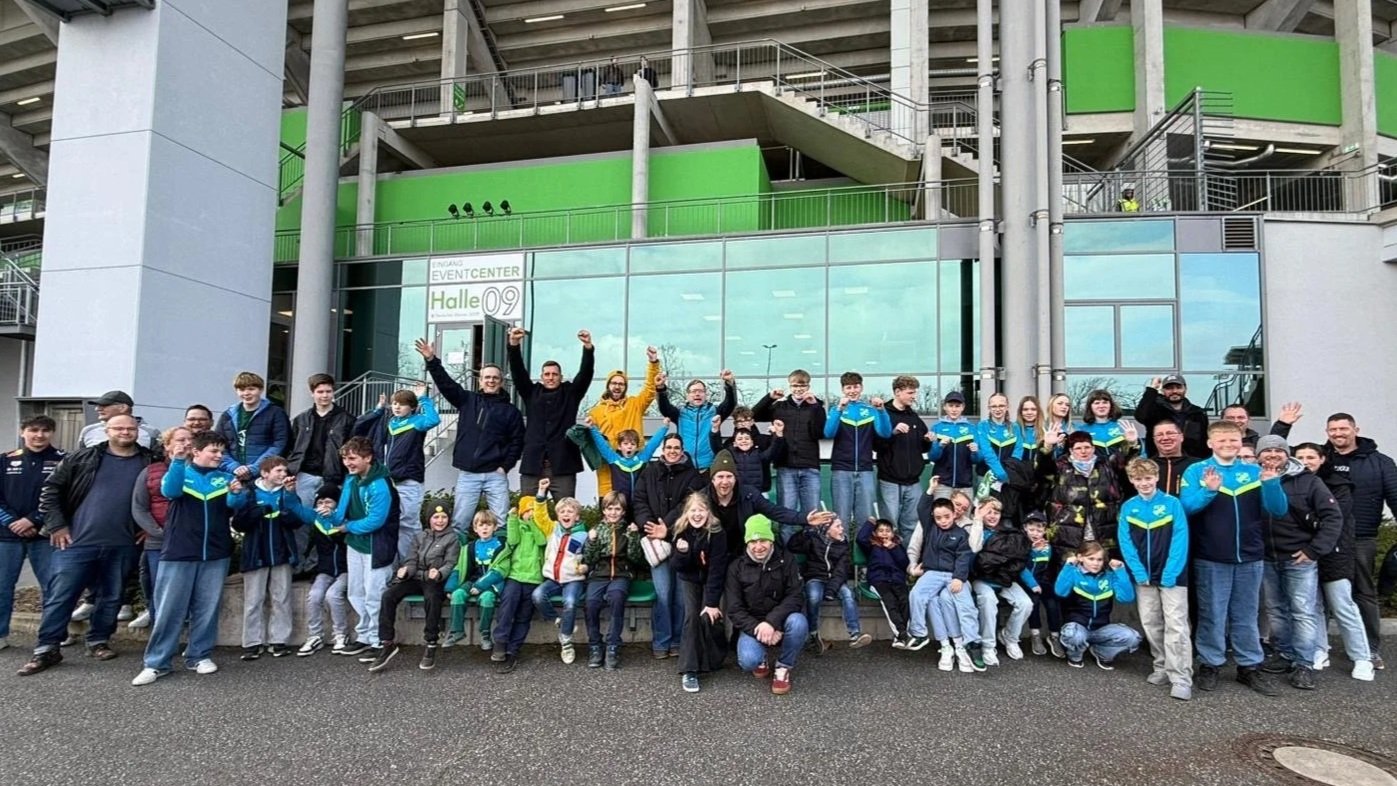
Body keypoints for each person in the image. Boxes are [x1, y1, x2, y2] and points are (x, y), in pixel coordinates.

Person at [19, 415, 153, 676]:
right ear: (107, 430)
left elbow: (159, 498)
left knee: (112, 596)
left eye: (131, 428)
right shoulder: (82, 458)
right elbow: (50, 491)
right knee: (61, 596)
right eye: (119, 428)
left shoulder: (149, 460)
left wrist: (150, 528)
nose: (125, 432)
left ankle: (98, 641)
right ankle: (46, 649)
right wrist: (57, 525)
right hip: (76, 541)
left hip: (123, 542)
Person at [131, 431, 251, 686]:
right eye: (214, 451)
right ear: (197, 452)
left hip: (216, 553)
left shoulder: (225, 477)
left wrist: (238, 493)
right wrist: (176, 460)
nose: (219, 456)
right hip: (179, 551)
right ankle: (156, 663)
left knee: (207, 608)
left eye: (221, 452)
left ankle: (199, 655)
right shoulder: (180, 473)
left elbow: (234, 505)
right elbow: (170, 491)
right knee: (169, 610)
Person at [1180, 420, 1288, 696]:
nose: (1228, 445)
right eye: (1222, 440)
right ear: (1210, 443)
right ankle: (1210, 663)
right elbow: (1186, 508)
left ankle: (1249, 666)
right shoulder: (1196, 471)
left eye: (1233, 440)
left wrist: (1272, 484)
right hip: (1211, 556)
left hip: (1250, 556)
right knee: (1212, 614)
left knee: (1246, 615)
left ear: (1242, 441)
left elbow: (1278, 510)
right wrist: (1209, 491)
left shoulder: (1254, 471)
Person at [1256, 436, 1343, 691]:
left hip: (1299, 557)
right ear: (1259, 455)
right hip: (1266, 557)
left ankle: (1303, 663)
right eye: (1267, 450)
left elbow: (1332, 517)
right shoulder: (1251, 479)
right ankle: (1284, 654)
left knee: (1302, 611)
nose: (1272, 455)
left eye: (1278, 450)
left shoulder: (1309, 481)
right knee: (1275, 610)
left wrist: (1314, 550)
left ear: (1287, 454)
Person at [418, 339, 525, 530]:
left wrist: (505, 466)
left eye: (495, 378)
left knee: (501, 524)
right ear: (480, 380)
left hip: (496, 475)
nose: (491, 381)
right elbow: (446, 384)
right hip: (468, 475)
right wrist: (432, 360)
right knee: (460, 524)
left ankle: (500, 559)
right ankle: (457, 559)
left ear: (501, 382)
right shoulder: (467, 400)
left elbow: (517, 442)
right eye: (487, 377)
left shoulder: (511, 412)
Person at [1293, 442, 1374, 681]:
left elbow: (1332, 518)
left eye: (1311, 456)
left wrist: (1307, 519)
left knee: (1343, 606)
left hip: (1334, 553)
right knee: (1312, 606)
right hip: (1303, 553)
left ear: (1322, 459)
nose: (1306, 461)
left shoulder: (1339, 485)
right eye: (1300, 457)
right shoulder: (1292, 482)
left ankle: (1362, 658)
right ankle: (1319, 650)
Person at [1323, 412, 1397, 670]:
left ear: (1356, 429)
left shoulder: (1380, 462)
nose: (1338, 433)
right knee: (1319, 595)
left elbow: (1395, 497)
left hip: (1362, 537)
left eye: (1343, 428)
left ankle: (1370, 649)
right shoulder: (1322, 460)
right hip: (1325, 538)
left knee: (1364, 593)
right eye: (1333, 429)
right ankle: (1318, 649)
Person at [319, 436, 400, 662]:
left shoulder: (380, 484)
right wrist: (332, 515)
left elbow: (376, 520)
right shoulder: (351, 480)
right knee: (356, 592)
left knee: (375, 594)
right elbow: (342, 511)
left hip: (377, 546)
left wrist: (347, 526)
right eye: (345, 458)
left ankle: (379, 640)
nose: (348, 463)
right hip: (355, 544)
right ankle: (364, 636)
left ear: (368, 458)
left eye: (352, 458)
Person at [1117, 458, 1192, 700]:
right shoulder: (1129, 507)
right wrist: (1138, 571)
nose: (1144, 483)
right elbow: (1125, 542)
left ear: (1156, 478)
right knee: (1151, 622)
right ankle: (1161, 666)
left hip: (1172, 575)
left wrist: (1171, 571)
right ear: (1131, 480)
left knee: (1177, 625)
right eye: (1138, 479)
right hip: (1144, 577)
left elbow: (1181, 539)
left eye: (1148, 478)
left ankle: (1181, 677)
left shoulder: (1172, 504)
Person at [233, 456, 315, 661]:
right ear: (264, 473)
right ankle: (252, 642)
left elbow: (297, 521)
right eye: (278, 471)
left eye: (284, 471)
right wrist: (257, 513)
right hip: (255, 552)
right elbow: (238, 523)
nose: (283, 474)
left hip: (282, 551)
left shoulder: (287, 492)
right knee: (254, 599)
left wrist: (286, 510)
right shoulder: (250, 492)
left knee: (282, 597)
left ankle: (279, 640)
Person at [632, 432, 705, 659]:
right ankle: (661, 642)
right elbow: (639, 501)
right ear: (662, 450)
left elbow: (689, 505)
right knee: (663, 593)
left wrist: (669, 527)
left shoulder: (693, 475)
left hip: (683, 540)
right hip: (656, 540)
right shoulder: (650, 471)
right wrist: (650, 525)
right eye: (669, 447)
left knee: (681, 597)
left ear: (682, 451)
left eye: (676, 448)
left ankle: (678, 642)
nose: (672, 451)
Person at [353, 382, 441, 562]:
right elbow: (362, 428)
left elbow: (433, 419)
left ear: (412, 407)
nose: (397, 406)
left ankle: (412, 563)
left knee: (409, 524)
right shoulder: (390, 421)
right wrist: (378, 409)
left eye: (402, 404)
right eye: (394, 403)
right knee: (391, 523)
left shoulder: (417, 422)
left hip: (409, 481)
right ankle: (397, 565)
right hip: (389, 481)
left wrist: (423, 397)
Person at [369, 504, 460, 673]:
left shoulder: (452, 538)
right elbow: (411, 560)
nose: (440, 521)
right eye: (436, 517)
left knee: (432, 598)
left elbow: (451, 563)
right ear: (429, 519)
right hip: (416, 578)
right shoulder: (420, 536)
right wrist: (406, 571)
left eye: (444, 517)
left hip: (434, 581)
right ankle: (387, 643)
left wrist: (439, 573)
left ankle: (431, 642)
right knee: (388, 595)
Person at [0, 416, 64, 649]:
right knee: (2, 586)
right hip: (6, 536)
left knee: (53, 587)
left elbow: (65, 497)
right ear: (23, 431)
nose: (39, 435)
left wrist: (32, 520)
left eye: (45, 431)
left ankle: (52, 637)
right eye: (33, 430)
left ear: (52, 433)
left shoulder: (63, 461)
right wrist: (13, 522)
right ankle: (0, 635)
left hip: (46, 534)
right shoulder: (5, 461)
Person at [725, 514, 808, 696]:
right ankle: (761, 657)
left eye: (763, 540)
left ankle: (783, 666)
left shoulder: (786, 560)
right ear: (747, 543)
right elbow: (734, 609)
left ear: (771, 540)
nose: (758, 547)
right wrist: (759, 628)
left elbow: (795, 596)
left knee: (799, 622)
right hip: (752, 624)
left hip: (780, 620)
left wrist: (772, 623)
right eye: (753, 542)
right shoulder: (736, 567)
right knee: (749, 661)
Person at [507, 326, 595, 498]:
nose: (551, 377)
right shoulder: (531, 393)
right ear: (541, 377)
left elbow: (585, 374)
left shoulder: (571, 394)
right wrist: (514, 345)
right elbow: (518, 372)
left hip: (563, 466)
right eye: (547, 374)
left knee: (567, 512)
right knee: (528, 515)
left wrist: (588, 349)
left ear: (561, 377)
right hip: (533, 466)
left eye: (555, 374)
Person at [285, 373, 354, 574]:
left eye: (328, 391)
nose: (324, 395)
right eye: (320, 392)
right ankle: (296, 565)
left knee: (329, 522)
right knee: (301, 521)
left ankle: (316, 565)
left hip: (333, 478)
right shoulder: (300, 419)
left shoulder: (346, 419)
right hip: (305, 475)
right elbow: (292, 447)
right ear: (312, 393)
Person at [905, 494, 981, 672]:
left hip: (953, 575)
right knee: (916, 594)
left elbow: (963, 557)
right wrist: (929, 491)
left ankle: (972, 643)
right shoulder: (931, 528)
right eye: (938, 517)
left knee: (965, 605)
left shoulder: (961, 534)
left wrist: (959, 577)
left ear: (954, 514)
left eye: (947, 516)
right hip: (932, 573)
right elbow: (922, 509)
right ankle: (919, 633)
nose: (943, 521)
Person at [1041, 428, 1138, 555]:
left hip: (1104, 531)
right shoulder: (1060, 466)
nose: (1083, 451)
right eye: (1078, 448)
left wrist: (1131, 443)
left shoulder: (1107, 465)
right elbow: (1042, 469)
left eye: (1087, 447)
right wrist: (1047, 447)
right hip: (1068, 534)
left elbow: (1125, 459)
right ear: (1071, 450)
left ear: (1093, 448)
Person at [580, 493, 644, 671]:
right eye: (610, 509)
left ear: (623, 512)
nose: (613, 513)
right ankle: (594, 645)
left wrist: (633, 537)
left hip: (621, 574)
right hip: (599, 573)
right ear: (604, 510)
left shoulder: (627, 529)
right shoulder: (597, 529)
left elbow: (636, 558)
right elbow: (589, 559)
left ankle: (613, 645)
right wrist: (591, 542)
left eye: (617, 509)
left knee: (616, 598)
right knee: (591, 603)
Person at [672, 492, 730, 692]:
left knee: (709, 616)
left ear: (708, 512)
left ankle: (714, 658)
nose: (697, 515)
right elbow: (678, 566)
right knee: (691, 618)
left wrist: (712, 603)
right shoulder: (681, 531)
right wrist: (682, 553)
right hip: (689, 579)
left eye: (701, 510)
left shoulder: (717, 533)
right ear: (687, 513)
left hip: (710, 580)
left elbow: (717, 569)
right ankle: (689, 670)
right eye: (693, 510)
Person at [130, 426, 185, 631]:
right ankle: (159, 633)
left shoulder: (201, 471)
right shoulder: (151, 472)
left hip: (189, 541)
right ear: (167, 446)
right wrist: (157, 531)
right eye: (180, 440)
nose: (185, 444)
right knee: (159, 589)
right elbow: (139, 506)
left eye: (189, 440)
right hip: (158, 541)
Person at [752, 369, 827, 518]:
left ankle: (811, 542)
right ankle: (785, 542)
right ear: (790, 387)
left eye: (802, 386)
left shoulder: (817, 407)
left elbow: (819, 433)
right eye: (794, 386)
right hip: (785, 466)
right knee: (786, 514)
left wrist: (815, 407)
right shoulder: (780, 407)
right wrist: (769, 397)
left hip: (810, 467)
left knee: (812, 516)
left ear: (808, 386)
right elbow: (755, 414)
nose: (798, 389)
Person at [586, 345, 660, 495]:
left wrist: (653, 363)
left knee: (636, 502)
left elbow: (650, 390)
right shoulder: (596, 412)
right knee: (610, 509)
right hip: (608, 466)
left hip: (634, 464)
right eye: (614, 383)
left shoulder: (635, 404)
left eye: (621, 384)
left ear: (625, 387)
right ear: (608, 386)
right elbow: (592, 442)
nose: (617, 387)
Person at [1054, 542, 1142, 669]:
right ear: (1080, 557)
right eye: (1091, 559)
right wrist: (1069, 566)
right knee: (1074, 636)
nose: (1096, 563)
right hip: (1078, 628)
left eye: (1099, 559)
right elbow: (1060, 591)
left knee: (1132, 637)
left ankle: (1101, 652)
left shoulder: (1109, 576)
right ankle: (1075, 655)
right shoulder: (1074, 573)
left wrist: (1120, 570)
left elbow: (1126, 597)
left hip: (1100, 629)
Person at [789, 516, 870, 651]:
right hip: (815, 577)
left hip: (835, 580)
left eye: (841, 526)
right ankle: (813, 633)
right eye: (838, 526)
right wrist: (805, 532)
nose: (842, 529)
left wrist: (831, 591)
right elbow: (792, 546)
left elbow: (841, 570)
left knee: (848, 595)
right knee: (813, 597)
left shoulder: (843, 545)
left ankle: (855, 634)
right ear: (827, 530)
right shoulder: (813, 540)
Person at [823, 371, 891, 531]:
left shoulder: (870, 410)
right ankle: (841, 555)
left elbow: (885, 433)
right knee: (841, 519)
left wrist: (882, 411)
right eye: (848, 387)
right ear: (843, 390)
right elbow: (828, 433)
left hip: (865, 470)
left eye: (856, 387)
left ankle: (864, 557)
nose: (852, 391)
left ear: (861, 388)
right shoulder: (835, 409)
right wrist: (839, 409)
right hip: (841, 470)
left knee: (865, 519)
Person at [969, 498, 1033, 665]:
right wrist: (977, 520)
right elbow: (974, 548)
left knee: (1025, 603)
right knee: (989, 600)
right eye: (988, 512)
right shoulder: (975, 529)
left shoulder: (1007, 532)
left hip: (1004, 578)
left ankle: (1010, 637)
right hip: (981, 579)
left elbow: (1017, 560)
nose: (992, 516)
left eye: (996, 512)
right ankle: (988, 645)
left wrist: (1032, 583)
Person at [492, 494, 552, 673]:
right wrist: (512, 518)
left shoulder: (540, 529)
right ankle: (501, 643)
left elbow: (541, 541)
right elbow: (512, 541)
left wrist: (533, 523)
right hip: (515, 576)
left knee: (523, 616)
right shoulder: (517, 526)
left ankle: (513, 650)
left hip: (533, 579)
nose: (531, 514)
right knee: (507, 608)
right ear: (522, 512)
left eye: (534, 510)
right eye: (528, 511)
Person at [532, 479, 587, 665]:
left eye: (570, 511)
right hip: (553, 578)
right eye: (562, 511)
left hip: (573, 579)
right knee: (538, 595)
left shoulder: (583, 535)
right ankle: (557, 620)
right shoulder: (553, 529)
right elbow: (539, 516)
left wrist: (586, 566)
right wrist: (541, 492)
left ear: (577, 516)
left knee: (570, 602)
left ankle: (566, 641)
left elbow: (590, 556)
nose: (566, 514)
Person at [444, 509, 508, 650]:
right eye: (481, 525)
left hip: (492, 583)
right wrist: (450, 587)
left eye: (488, 524)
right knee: (457, 594)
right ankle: (457, 631)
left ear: (495, 527)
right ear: (475, 528)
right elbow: (459, 568)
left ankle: (485, 633)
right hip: (473, 580)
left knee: (486, 598)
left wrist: (480, 585)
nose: (484, 528)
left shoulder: (501, 546)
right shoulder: (469, 547)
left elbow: (500, 571)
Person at [876, 375, 929, 542]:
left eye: (915, 393)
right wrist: (893, 433)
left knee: (911, 526)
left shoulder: (914, 417)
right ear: (897, 392)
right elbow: (876, 445)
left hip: (913, 482)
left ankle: (908, 564)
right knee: (888, 526)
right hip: (890, 481)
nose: (914, 396)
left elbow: (923, 448)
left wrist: (928, 441)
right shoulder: (882, 414)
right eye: (910, 392)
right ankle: (888, 564)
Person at [297, 483, 349, 656]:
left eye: (329, 502)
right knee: (314, 596)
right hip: (324, 570)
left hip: (345, 570)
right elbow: (297, 510)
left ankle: (341, 634)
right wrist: (289, 493)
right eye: (320, 503)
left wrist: (334, 518)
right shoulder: (316, 520)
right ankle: (315, 635)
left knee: (333, 595)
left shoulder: (345, 521)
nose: (324, 506)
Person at [215, 372, 291, 482]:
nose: (246, 393)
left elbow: (280, 444)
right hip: (233, 475)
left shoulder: (276, 413)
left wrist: (255, 468)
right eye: (241, 390)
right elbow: (219, 445)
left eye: (251, 389)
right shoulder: (227, 415)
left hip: (265, 476)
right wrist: (233, 467)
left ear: (260, 390)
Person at [657, 369, 738, 472]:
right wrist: (660, 388)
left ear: (705, 394)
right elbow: (664, 407)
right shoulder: (680, 413)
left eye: (700, 391)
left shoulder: (714, 411)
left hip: (708, 468)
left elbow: (730, 403)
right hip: (685, 467)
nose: (697, 394)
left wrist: (729, 384)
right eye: (693, 391)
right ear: (687, 395)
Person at [588, 419, 670, 506]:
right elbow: (602, 445)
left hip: (639, 503)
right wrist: (592, 428)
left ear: (637, 447)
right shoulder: (614, 459)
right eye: (626, 444)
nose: (629, 447)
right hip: (620, 504)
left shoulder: (642, 458)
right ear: (619, 446)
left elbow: (653, 443)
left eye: (632, 444)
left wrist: (665, 427)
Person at [857, 517, 911, 648]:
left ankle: (902, 634)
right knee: (890, 601)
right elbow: (861, 538)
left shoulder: (898, 546)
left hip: (897, 579)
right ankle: (902, 634)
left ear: (893, 533)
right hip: (879, 580)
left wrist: (893, 548)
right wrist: (871, 523)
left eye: (888, 531)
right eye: (881, 530)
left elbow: (905, 563)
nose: (885, 533)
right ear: (875, 533)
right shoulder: (872, 546)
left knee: (904, 600)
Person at [1134, 376, 1210, 459]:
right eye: (1169, 388)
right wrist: (1152, 389)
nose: (1174, 391)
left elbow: (1204, 440)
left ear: (1185, 389)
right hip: (1160, 462)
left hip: (1192, 462)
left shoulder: (1198, 413)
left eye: (1178, 387)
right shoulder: (1155, 411)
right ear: (1163, 390)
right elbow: (1140, 415)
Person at [1021, 512, 1061, 657]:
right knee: (1034, 601)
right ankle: (1035, 634)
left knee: (1052, 602)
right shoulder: (1022, 543)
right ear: (1025, 528)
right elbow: (1021, 566)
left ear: (1044, 530)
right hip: (1027, 581)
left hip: (1042, 580)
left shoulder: (1048, 547)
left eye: (1039, 530)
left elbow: (1050, 566)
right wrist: (1032, 550)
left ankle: (1054, 635)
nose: (1035, 533)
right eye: (1032, 530)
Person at [708, 422, 785, 497]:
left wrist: (778, 434)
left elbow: (773, 450)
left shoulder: (759, 454)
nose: (744, 441)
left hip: (757, 493)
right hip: (737, 494)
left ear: (752, 442)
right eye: (740, 439)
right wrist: (715, 430)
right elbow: (717, 448)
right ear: (734, 443)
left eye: (747, 438)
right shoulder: (730, 455)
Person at [928, 390, 978, 499]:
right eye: (951, 406)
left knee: (965, 516)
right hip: (942, 485)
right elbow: (932, 457)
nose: (954, 409)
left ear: (963, 407)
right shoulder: (937, 427)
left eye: (957, 406)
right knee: (942, 515)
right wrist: (940, 445)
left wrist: (975, 452)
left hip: (965, 485)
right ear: (945, 407)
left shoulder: (971, 428)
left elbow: (976, 460)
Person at [79, 390, 161, 449]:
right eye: (97, 406)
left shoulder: (150, 432)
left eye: (104, 405)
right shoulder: (88, 430)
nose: (97, 409)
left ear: (123, 407)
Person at [1079, 389, 1138, 461]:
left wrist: (1133, 442)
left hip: (1120, 469)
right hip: (1095, 470)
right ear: (1090, 407)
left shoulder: (1122, 426)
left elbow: (1132, 456)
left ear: (1111, 405)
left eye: (1105, 402)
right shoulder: (1082, 430)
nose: (1101, 406)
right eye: (1097, 403)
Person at [1148, 421, 1197, 497]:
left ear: (1181, 437)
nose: (1165, 438)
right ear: (1154, 440)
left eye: (1170, 433)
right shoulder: (1146, 466)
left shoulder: (1196, 465)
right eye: (1159, 435)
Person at [1225, 402, 1300, 449]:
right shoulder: (1213, 442)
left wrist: (1283, 424)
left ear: (1248, 419)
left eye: (1241, 417)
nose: (1236, 421)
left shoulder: (1258, 443)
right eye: (1230, 418)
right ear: (1222, 421)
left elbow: (1273, 444)